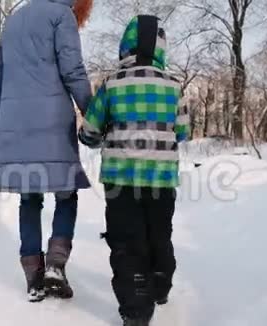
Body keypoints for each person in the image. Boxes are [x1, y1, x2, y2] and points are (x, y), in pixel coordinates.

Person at [78, 15, 190, 326]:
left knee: (127, 242)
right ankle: (160, 286)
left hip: (120, 181)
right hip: (161, 181)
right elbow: (183, 131)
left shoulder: (112, 84)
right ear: (160, 49)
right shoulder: (173, 87)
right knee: (159, 235)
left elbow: (89, 132)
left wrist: (95, 136)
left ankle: (136, 310)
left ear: (125, 47)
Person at [0, 0, 93, 303]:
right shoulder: (62, 16)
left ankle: (34, 277)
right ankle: (56, 265)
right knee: (66, 193)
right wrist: (94, 112)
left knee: (29, 198)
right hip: (51, 120)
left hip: (13, 122)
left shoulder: (13, 19)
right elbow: (73, 70)